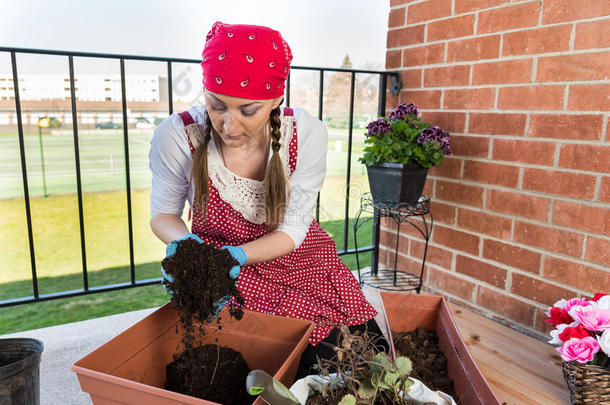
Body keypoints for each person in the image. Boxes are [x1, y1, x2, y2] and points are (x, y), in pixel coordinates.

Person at [149, 21, 387, 378]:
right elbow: (164, 215)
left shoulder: (307, 134)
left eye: (248, 111)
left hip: (300, 259)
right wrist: (194, 252)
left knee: (370, 359)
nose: (229, 126)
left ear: (276, 99)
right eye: (217, 106)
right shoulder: (176, 136)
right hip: (230, 272)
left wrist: (240, 253)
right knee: (299, 366)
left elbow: (293, 230)